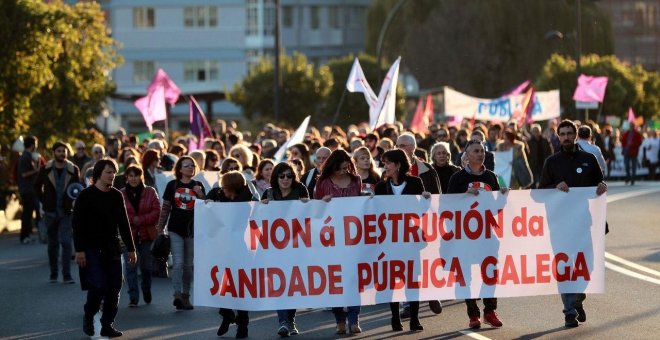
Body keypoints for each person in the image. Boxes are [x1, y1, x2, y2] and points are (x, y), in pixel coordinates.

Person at [539, 119, 607, 328]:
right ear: (558, 137)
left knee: (587, 266)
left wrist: (602, 186)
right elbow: (539, 194)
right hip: (560, 224)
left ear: (576, 136)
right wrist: (554, 186)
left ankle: (578, 299)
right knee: (565, 268)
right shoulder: (551, 162)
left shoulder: (589, 159)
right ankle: (569, 312)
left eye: (570, 133)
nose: (566, 137)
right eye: (563, 134)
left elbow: (599, 183)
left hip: (585, 223)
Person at [72, 159, 137, 337]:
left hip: (112, 248)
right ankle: (89, 314)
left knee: (115, 287)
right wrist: (79, 250)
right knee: (98, 285)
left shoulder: (116, 195)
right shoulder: (85, 196)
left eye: (114, 172)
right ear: (98, 174)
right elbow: (77, 225)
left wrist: (131, 249)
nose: (112, 175)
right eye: (108, 172)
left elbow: (124, 224)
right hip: (91, 249)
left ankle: (107, 323)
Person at [447, 139, 506, 330]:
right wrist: (464, 194)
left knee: (489, 272)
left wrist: (503, 197)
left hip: (487, 235)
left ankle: (490, 311)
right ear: (467, 155)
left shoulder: (491, 177)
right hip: (464, 235)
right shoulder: (457, 178)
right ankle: (473, 314)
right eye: (476, 151)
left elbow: (497, 208)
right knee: (466, 275)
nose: (480, 154)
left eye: (482, 151)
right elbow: (447, 207)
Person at [375, 149, 431, 332]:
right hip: (389, 241)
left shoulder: (415, 183)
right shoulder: (380, 187)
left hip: (410, 240)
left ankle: (414, 319)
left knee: (412, 280)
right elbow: (375, 214)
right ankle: (395, 317)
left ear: (398, 164)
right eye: (384, 164)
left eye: (388, 163)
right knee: (391, 281)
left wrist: (426, 200)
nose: (385, 167)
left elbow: (422, 211)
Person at [314, 149, 363, 335]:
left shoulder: (356, 180)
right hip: (331, 239)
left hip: (353, 238)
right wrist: (322, 203)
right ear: (332, 167)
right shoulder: (323, 182)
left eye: (346, 168)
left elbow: (361, 205)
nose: (344, 171)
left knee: (353, 279)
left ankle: (354, 318)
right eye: (340, 169)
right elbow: (315, 212)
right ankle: (339, 320)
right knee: (335, 280)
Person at [261, 162, 310, 337]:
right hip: (276, 248)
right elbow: (259, 219)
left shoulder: (300, 190)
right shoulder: (269, 193)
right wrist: (262, 206)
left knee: (293, 285)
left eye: (289, 176)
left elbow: (310, 214)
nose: (285, 179)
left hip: (297, 245)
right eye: (282, 176)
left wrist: (308, 204)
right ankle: (283, 322)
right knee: (280, 284)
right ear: (276, 177)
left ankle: (291, 320)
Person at [207, 171, 258, 339]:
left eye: (225, 187)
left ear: (232, 188)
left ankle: (243, 325)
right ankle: (226, 314)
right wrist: (207, 202)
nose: (222, 189)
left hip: (242, 251)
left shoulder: (249, 202)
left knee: (241, 288)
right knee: (224, 285)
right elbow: (206, 204)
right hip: (223, 250)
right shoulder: (220, 195)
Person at [156, 156, 206, 310]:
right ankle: (177, 294)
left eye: (192, 165)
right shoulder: (172, 185)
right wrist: (160, 228)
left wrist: (201, 195)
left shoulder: (198, 185)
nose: (190, 168)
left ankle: (186, 296)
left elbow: (206, 208)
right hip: (175, 229)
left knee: (188, 265)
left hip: (192, 230)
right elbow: (166, 208)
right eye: (187, 165)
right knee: (178, 263)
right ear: (179, 169)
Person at [34, 141, 80, 283]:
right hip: (50, 212)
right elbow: (36, 187)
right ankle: (53, 273)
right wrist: (44, 201)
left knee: (66, 243)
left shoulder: (73, 169)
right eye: (59, 151)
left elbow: (76, 189)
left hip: (66, 212)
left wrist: (74, 203)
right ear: (54, 152)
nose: (62, 153)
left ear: (67, 152)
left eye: (64, 151)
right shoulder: (45, 169)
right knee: (52, 244)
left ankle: (67, 275)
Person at [119, 165, 161, 307]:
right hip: (128, 235)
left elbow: (157, 211)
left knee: (146, 267)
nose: (133, 179)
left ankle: (146, 289)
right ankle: (133, 297)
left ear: (141, 176)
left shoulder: (150, 191)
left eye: (136, 175)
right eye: (130, 176)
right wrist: (132, 220)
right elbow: (118, 212)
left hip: (147, 235)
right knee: (130, 267)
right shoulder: (122, 193)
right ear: (126, 177)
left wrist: (141, 219)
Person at [17, 135, 40, 244]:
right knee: (26, 213)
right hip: (27, 190)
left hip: (30, 189)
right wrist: (36, 170)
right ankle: (24, 236)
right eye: (35, 143)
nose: (36, 146)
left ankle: (28, 234)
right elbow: (24, 174)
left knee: (29, 212)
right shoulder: (25, 157)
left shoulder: (29, 156)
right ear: (32, 145)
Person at [526, 124, 554, 188]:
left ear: (540, 131)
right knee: (534, 182)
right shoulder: (529, 142)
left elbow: (550, 151)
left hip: (544, 163)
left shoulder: (545, 140)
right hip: (533, 164)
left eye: (537, 131)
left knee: (543, 181)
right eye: (534, 131)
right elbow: (527, 154)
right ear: (532, 132)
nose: (536, 132)